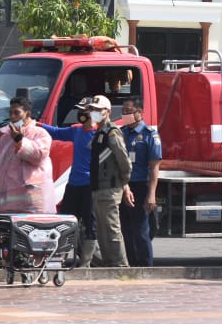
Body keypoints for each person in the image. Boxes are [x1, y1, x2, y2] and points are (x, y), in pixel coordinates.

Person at [40, 97, 98, 267]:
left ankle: (86, 262)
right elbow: (57, 132)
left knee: (89, 223)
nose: (81, 114)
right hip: (73, 185)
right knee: (64, 222)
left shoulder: (99, 134)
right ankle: (60, 257)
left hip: (89, 185)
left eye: (85, 111)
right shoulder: (76, 130)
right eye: (80, 111)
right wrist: (39, 125)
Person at [0, 96, 55, 214]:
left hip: (30, 202)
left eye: (17, 113)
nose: (12, 117)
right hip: (4, 204)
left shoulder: (40, 134)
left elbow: (38, 156)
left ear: (27, 114)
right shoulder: (4, 139)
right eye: (11, 113)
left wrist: (19, 140)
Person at [88, 95, 134, 267]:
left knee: (112, 230)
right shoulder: (99, 133)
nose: (94, 113)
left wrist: (124, 182)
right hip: (98, 187)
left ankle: (121, 266)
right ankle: (109, 265)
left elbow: (124, 160)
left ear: (107, 112)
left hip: (110, 188)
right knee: (101, 231)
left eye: (98, 110)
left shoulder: (112, 132)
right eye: (92, 110)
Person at [119, 96, 162, 266]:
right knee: (125, 229)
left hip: (141, 186)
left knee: (141, 229)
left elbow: (154, 168)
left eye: (128, 111)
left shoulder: (149, 135)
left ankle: (146, 266)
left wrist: (151, 195)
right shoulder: (121, 133)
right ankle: (131, 264)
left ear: (139, 113)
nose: (125, 115)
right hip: (124, 186)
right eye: (123, 111)